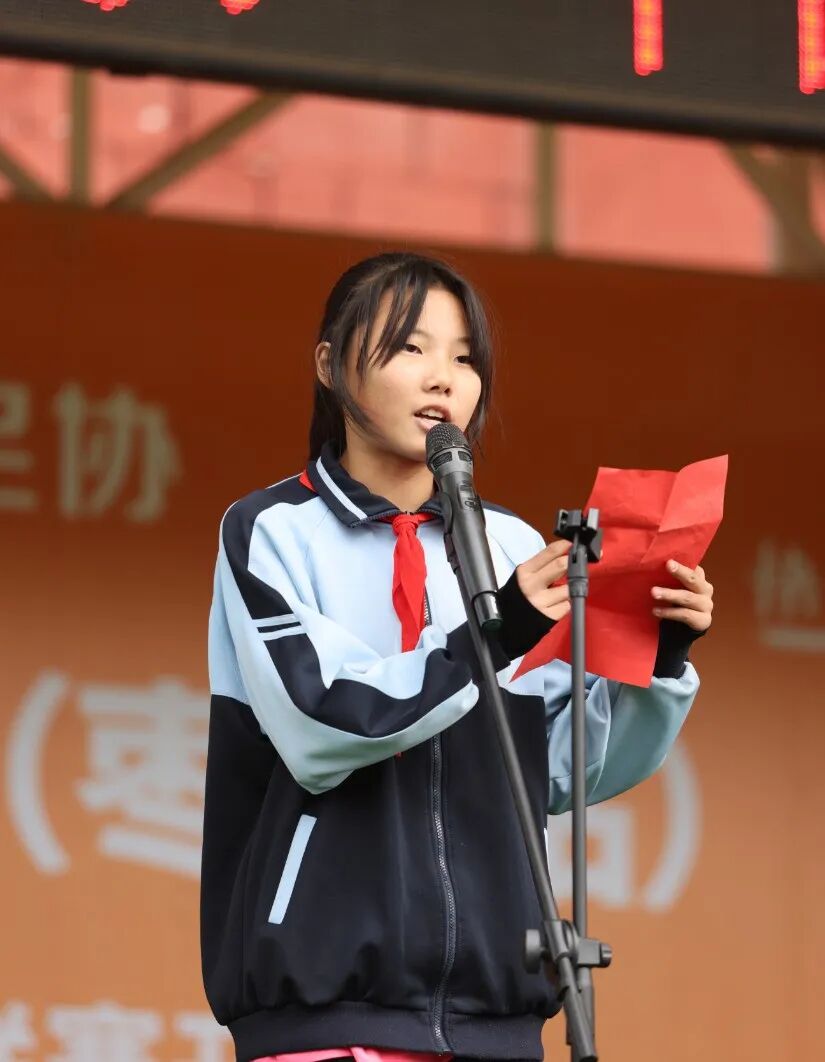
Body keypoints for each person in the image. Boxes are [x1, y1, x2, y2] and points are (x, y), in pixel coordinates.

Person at [201, 252, 714, 1062]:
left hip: (496, 1018)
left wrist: (659, 655)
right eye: (410, 347)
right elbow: (319, 724)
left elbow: (556, 770)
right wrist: (493, 635)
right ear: (330, 365)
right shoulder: (272, 531)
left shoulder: (509, 546)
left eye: (465, 358)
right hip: (326, 1010)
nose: (443, 377)